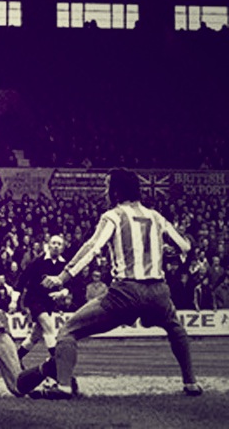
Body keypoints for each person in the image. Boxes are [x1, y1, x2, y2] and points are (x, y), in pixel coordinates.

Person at [25, 168, 202, 399]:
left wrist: (62, 278)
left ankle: (64, 386)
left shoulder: (113, 216)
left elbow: (92, 247)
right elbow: (184, 247)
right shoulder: (156, 216)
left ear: (116, 191)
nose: (105, 191)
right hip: (159, 291)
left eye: (107, 186)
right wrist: (166, 251)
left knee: (68, 331)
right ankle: (191, 382)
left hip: (126, 292)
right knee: (175, 328)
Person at [15, 235, 68, 364]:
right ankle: (58, 363)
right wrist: (13, 300)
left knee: (35, 336)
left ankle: (15, 359)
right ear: (48, 245)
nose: (56, 246)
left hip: (48, 302)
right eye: (54, 243)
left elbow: (68, 286)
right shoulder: (37, 262)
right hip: (34, 299)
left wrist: (62, 293)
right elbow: (22, 279)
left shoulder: (63, 264)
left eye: (59, 244)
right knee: (49, 328)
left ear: (62, 248)